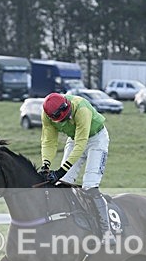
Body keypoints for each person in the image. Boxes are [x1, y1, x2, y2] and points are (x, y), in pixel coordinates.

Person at [40, 92, 115, 245]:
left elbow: (81, 144)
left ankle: (107, 231)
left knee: (90, 187)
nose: (68, 119)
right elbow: (49, 141)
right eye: (63, 119)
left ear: (68, 105)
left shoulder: (82, 109)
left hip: (96, 140)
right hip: (75, 138)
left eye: (68, 115)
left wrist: (61, 171)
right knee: (62, 184)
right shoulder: (46, 116)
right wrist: (45, 165)